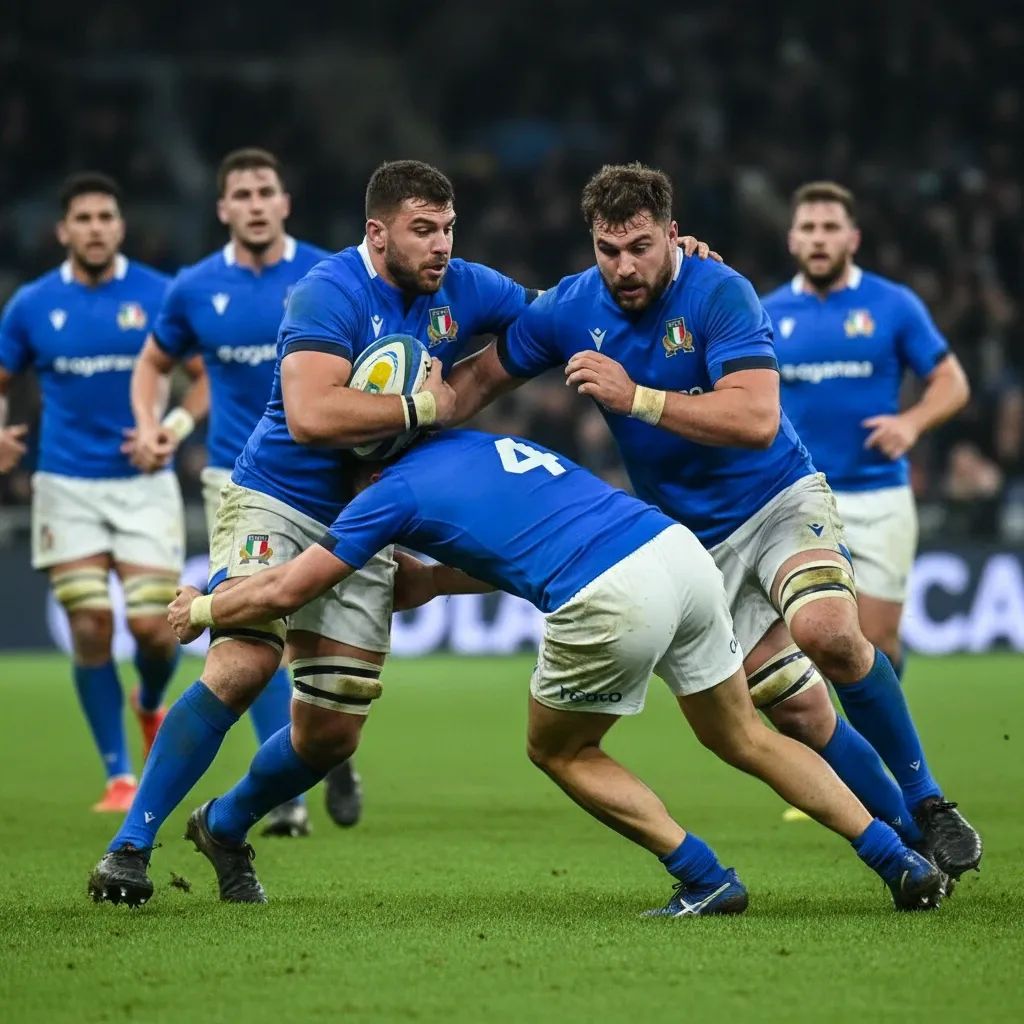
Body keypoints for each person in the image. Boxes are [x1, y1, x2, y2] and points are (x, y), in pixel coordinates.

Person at [445, 162, 982, 882]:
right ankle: (909, 837)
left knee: (828, 632)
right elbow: (481, 378)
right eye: (608, 250)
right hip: (694, 543)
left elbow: (757, 420)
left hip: (778, 499)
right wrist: (410, 418)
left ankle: (929, 802)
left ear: (672, 235)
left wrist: (636, 398)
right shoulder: (570, 308)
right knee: (797, 715)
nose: (624, 267)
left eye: (640, 247)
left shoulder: (719, 291)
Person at [159, 427, 943, 915]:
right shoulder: (479, 442)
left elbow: (289, 590)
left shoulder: (380, 496)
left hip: (609, 596)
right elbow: (516, 534)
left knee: (560, 749)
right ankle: (897, 859)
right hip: (674, 553)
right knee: (745, 735)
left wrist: (204, 607)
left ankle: (703, 877)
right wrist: (436, 584)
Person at [86, 159, 533, 901]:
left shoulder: (464, 286)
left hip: (368, 518)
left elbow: (553, 316)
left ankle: (224, 825)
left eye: (449, 229)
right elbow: (311, 416)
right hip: (277, 496)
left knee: (331, 733)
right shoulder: (328, 290)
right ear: (377, 233)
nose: (441, 246)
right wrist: (428, 408)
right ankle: (128, 847)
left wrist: (673, 274)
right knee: (243, 664)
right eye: (423, 230)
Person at [126, 147, 346, 837]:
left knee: (318, 643)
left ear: (285, 203)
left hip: (326, 477)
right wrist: (153, 424)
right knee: (253, 630)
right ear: (223, 208)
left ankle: (324, 743)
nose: (255, 204)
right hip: (237, 481)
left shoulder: (329, 274)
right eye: (242, 194)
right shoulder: (193, 287)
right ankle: (289, 794)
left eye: (265, 192)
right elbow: (153, 362)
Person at [0, 173, 203, 811]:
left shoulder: (160, 293)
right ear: (63, 230)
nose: (95, 227)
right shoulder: (32, 304)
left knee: (153, 630)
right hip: (66, 485)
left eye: (105, 216)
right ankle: (118, 776)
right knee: (90, 625)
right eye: (83, 218)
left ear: (121, 226)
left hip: (143, 485)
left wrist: (170, 431)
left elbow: (205, 379)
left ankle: (149, 701)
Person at [762, 180, 970, 677]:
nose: (819, 238)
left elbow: (953, 382)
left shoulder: (893, 305)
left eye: (830, 227)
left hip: (878, 496)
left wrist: (912, 423)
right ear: (792, 239)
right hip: (796, 497)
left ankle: (887, 728)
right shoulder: (765, 312)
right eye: (808, 227)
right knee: (799, 649)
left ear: (852, 238)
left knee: (877, 644)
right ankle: (827, 732)